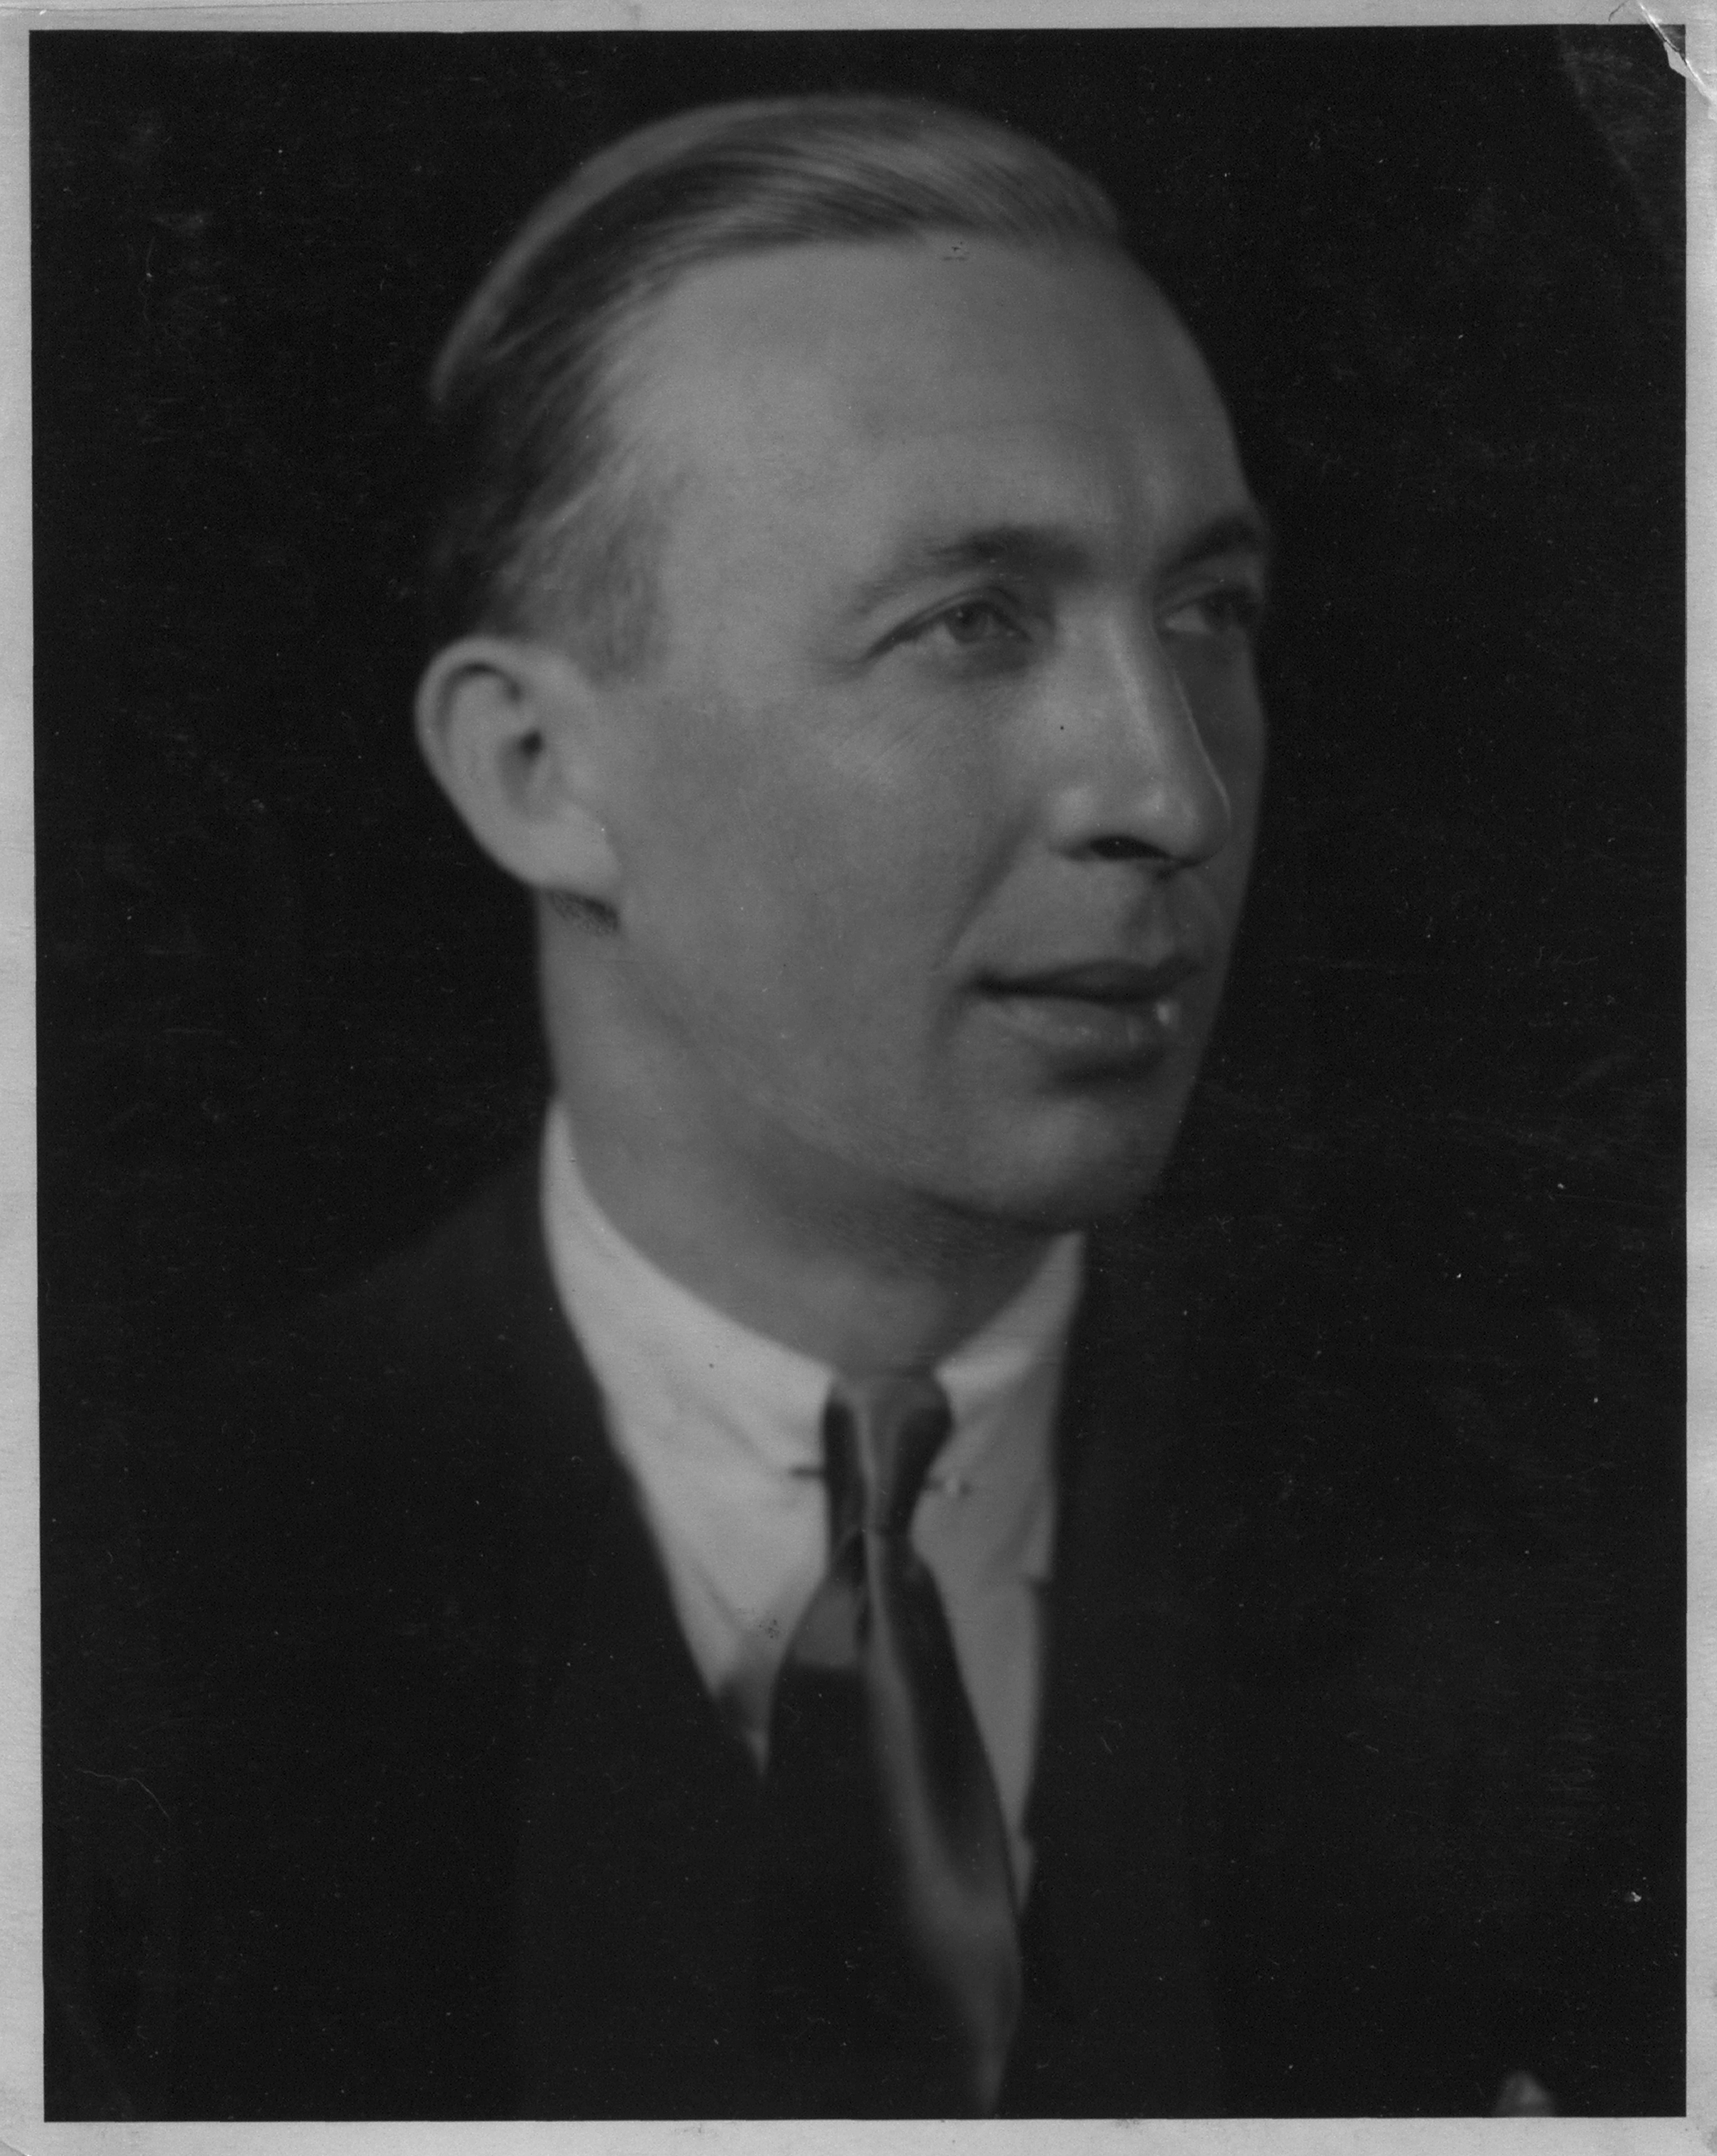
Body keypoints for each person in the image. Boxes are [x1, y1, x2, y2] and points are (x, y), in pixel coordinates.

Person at [143, 95, 1662, 2121]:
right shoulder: (131, 1601)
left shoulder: (1567, 1569)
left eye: (1209, 612)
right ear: (535, 773)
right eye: (969, 623)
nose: (1172, 793)